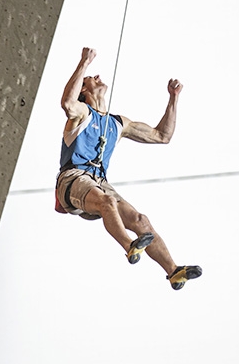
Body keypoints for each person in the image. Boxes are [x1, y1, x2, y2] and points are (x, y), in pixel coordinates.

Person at [55, 47, 201, 290]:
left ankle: (174, 271)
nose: (98, 76)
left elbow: (162, 136)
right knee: (106, 202)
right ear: (83, 89)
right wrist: (84, 63)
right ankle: (128, 245)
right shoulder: (81, 114)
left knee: (140, 220)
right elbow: (68, 103)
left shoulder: (118, 124)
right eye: (92, 78)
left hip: (98, 181)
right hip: (73, 178)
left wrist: (173, 98)